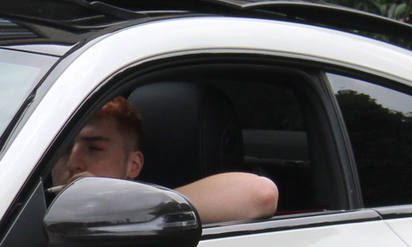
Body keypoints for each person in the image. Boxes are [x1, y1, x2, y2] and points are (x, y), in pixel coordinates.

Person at [48, 95, 278, 225]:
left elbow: (261, 194)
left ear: (133, 165)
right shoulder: (19, 210)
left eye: (94, 149)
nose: (73, 163)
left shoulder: (141, 219)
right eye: (65, 149)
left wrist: (118, 208)